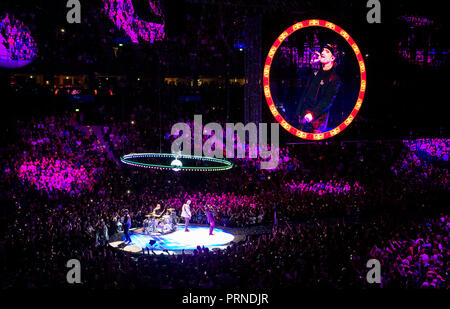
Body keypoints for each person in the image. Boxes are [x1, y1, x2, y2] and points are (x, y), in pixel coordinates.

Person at [295, 43, 341, 133]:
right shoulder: (315, 71)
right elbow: (299, 73)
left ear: (332, 58)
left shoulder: (334, 78)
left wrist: (312, 114)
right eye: (322, 50)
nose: (323, 52)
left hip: (317, 121)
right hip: (303, 115)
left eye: (327, 51)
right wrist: (312, 63)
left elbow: (327, 101)